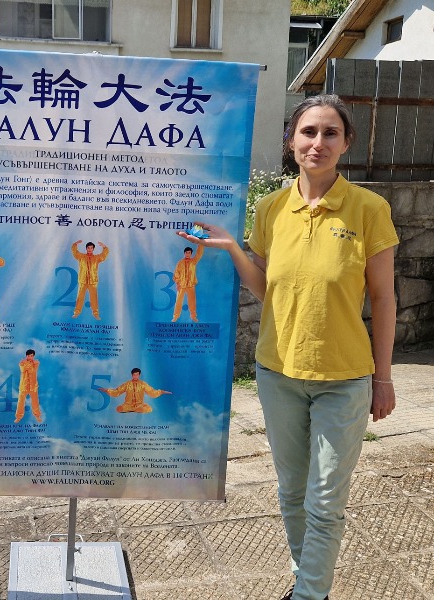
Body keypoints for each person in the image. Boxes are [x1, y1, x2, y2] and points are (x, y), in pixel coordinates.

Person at [179, 94, 398, 600]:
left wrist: (382, 377)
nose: (317, 143)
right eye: (308, 132)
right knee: (292, 494)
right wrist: (235, 248)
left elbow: (384, 298)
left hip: (344, 379)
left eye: (329, 133)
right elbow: (266, 287)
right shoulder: (271, 207)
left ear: (346, 144)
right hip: (278, 372)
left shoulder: (369, 209)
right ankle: (308, 580)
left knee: (325, 500)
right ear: (291, 141)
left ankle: (308, 594)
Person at [98, 368, 172, 413]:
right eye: (134, 375)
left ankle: (137, 409)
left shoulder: (143, 384)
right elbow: (117, 391)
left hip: (140, 405)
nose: (135, 376)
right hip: (128, 405)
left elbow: (151, 392)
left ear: (139, 375)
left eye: (137, 375)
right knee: (118, 409)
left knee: (149, 409)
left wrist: (161, 392)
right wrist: (107, 390)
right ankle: (132, 409)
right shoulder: (127, 384)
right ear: (132, 375)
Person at [71, 240, 109, 320]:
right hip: (83, 281)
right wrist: (75, 244)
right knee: (80, 297)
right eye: (88, 248)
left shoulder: (96, 258)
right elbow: (75, 253)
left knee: (94, 298)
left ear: (93, 249)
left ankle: (96, 314)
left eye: (91, 248)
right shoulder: (81, 257)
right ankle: (76, 312)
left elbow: (103, 256)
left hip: (93, 281)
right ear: (86, 248)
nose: (90, 249)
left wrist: (104, 247)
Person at [172, 245, 204, 322]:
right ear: (184, 253)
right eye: (186, 253)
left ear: (191, 254)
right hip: (181, 285)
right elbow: (176, 273)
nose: (187, 254)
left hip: (190, 285)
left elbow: (199, 254)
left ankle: (193, 316)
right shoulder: (180, 263)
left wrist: (201, 244)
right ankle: (176, 316)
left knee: (192, 301)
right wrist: (178, 283)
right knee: (178, 301)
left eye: (189, 253)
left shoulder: (193, 261)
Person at [14, 349, 42, 423]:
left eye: (32, 356)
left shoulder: (36, 363)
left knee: (35, 402)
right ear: (26, 356)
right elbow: (23, 370)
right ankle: (18, 417)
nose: (30, 357)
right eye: (29, 356)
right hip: (23, 386)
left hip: (33, 386)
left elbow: (33, 370)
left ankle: (37, 416)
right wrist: (29, 366)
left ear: (33, 356)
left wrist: (28, 366)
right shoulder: (22, 363)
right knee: (20, 402)